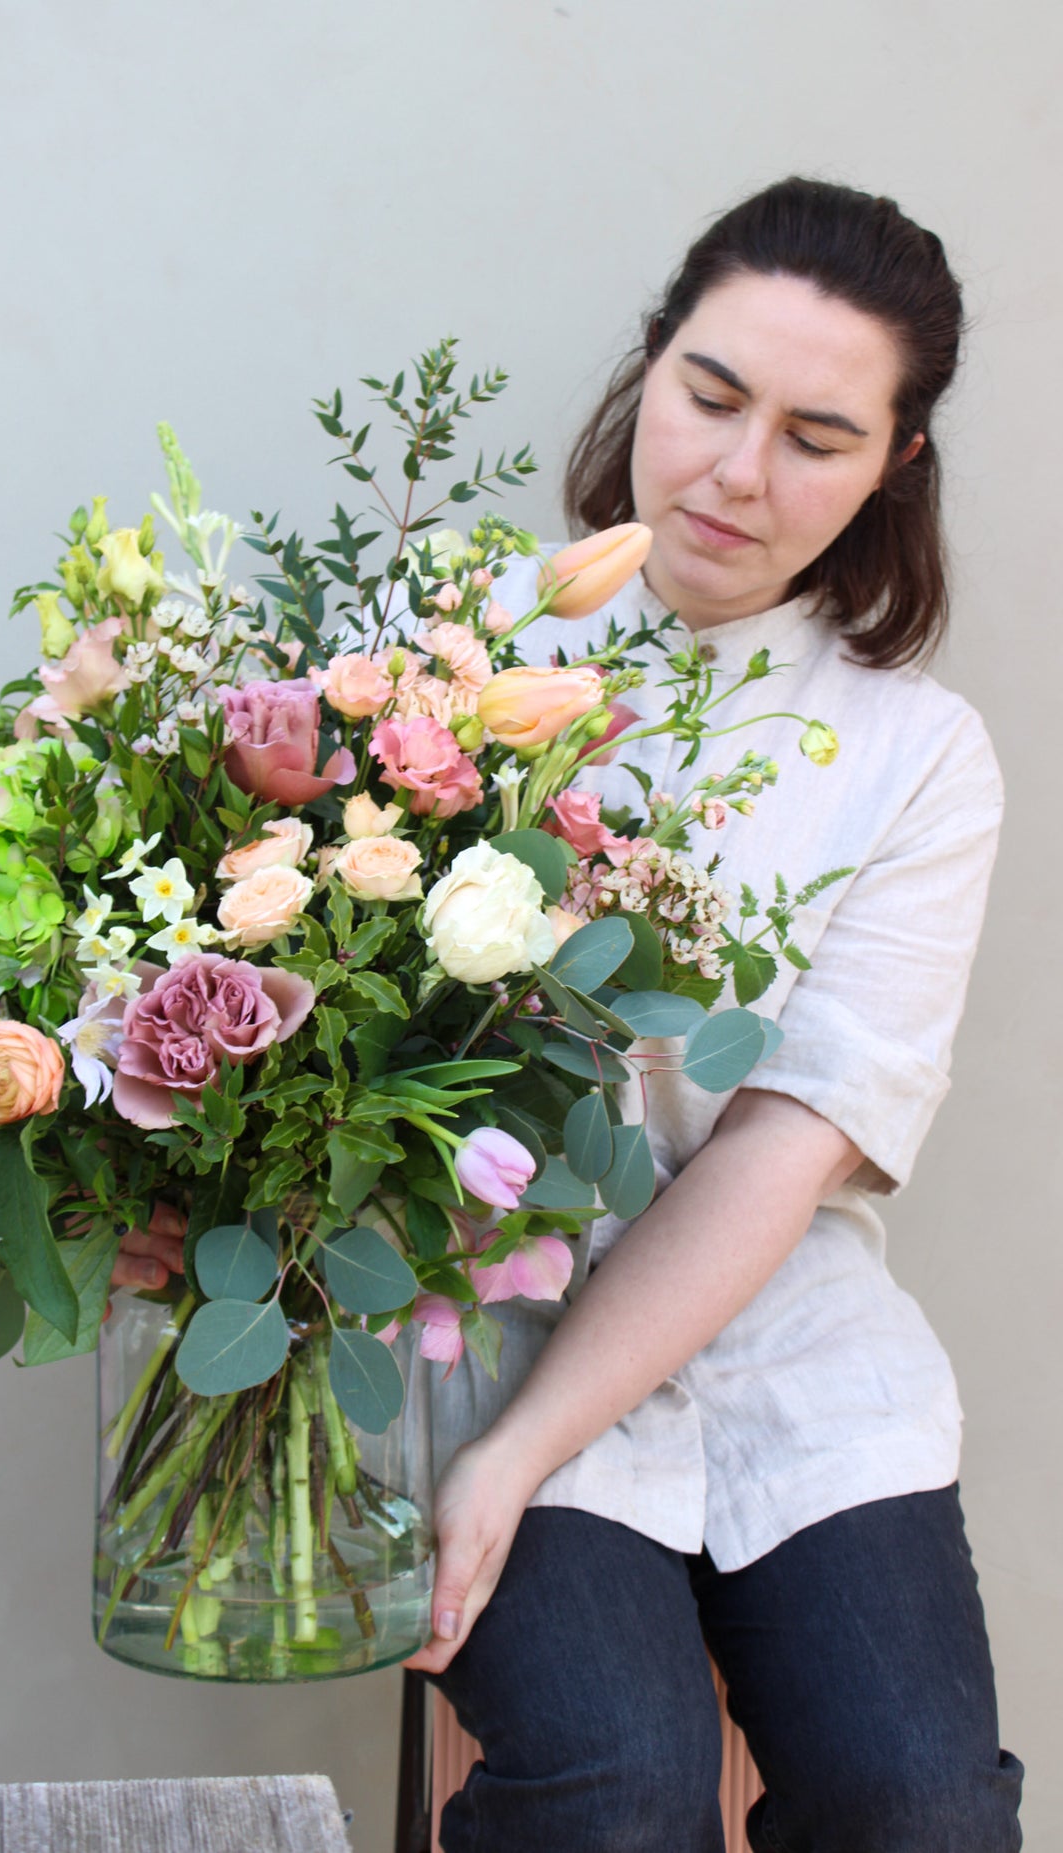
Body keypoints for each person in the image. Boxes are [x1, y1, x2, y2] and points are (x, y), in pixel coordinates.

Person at [114, 178, 1025, 1850]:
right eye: (712, 394)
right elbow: (293, 1016)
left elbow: (781, 1151)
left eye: (821, 436)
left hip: (780, 1338)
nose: (740, 474)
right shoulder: (442, 640)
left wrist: (526, 1452)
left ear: (898, 462)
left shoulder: (920, 760)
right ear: (652, 361)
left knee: (923, 1807)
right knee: (616, 1790)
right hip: (471, 1316)